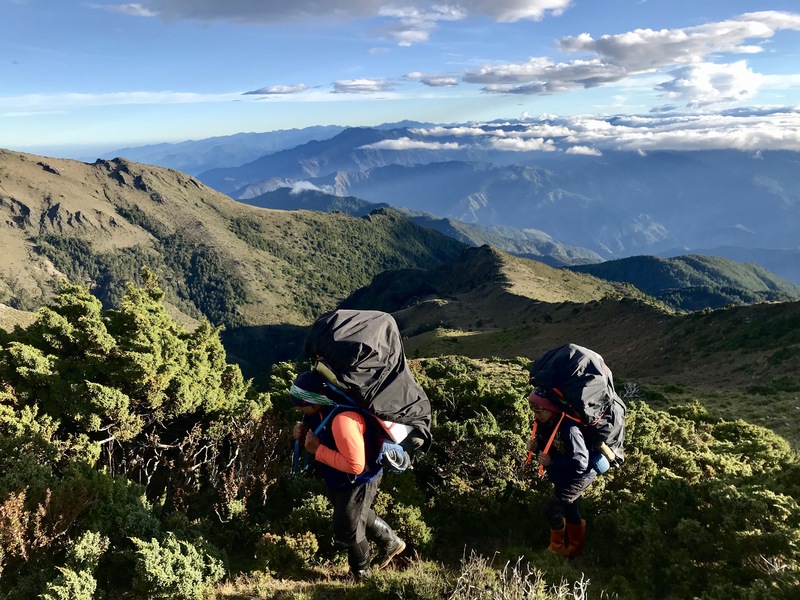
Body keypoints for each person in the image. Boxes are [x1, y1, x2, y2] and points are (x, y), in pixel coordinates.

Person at [290, 370, 406, 579]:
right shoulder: (318, 411)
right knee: (356, 513)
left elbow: (356, 466)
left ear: (316, 400)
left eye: (301, 404)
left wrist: (317, 450)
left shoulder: (343, 419)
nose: (298, 409)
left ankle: (360, 573)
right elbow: (320, 434)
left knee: (349, 529)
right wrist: (303, 434)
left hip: (358, 479)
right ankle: (391, 542)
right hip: (339, 476)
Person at [525, 387, 597, 557]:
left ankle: (556, 550)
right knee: (571, 509)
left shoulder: (570, 429)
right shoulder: (547, 423)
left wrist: (552, 462)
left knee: (551, 508)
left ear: (551, 408)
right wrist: (536, 448)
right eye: (532, 409)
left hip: (579, 476)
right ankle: (574, 549)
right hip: (565, 473)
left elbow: (580, 463)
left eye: (538, 409)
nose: (535, 414)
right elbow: (552, 446)